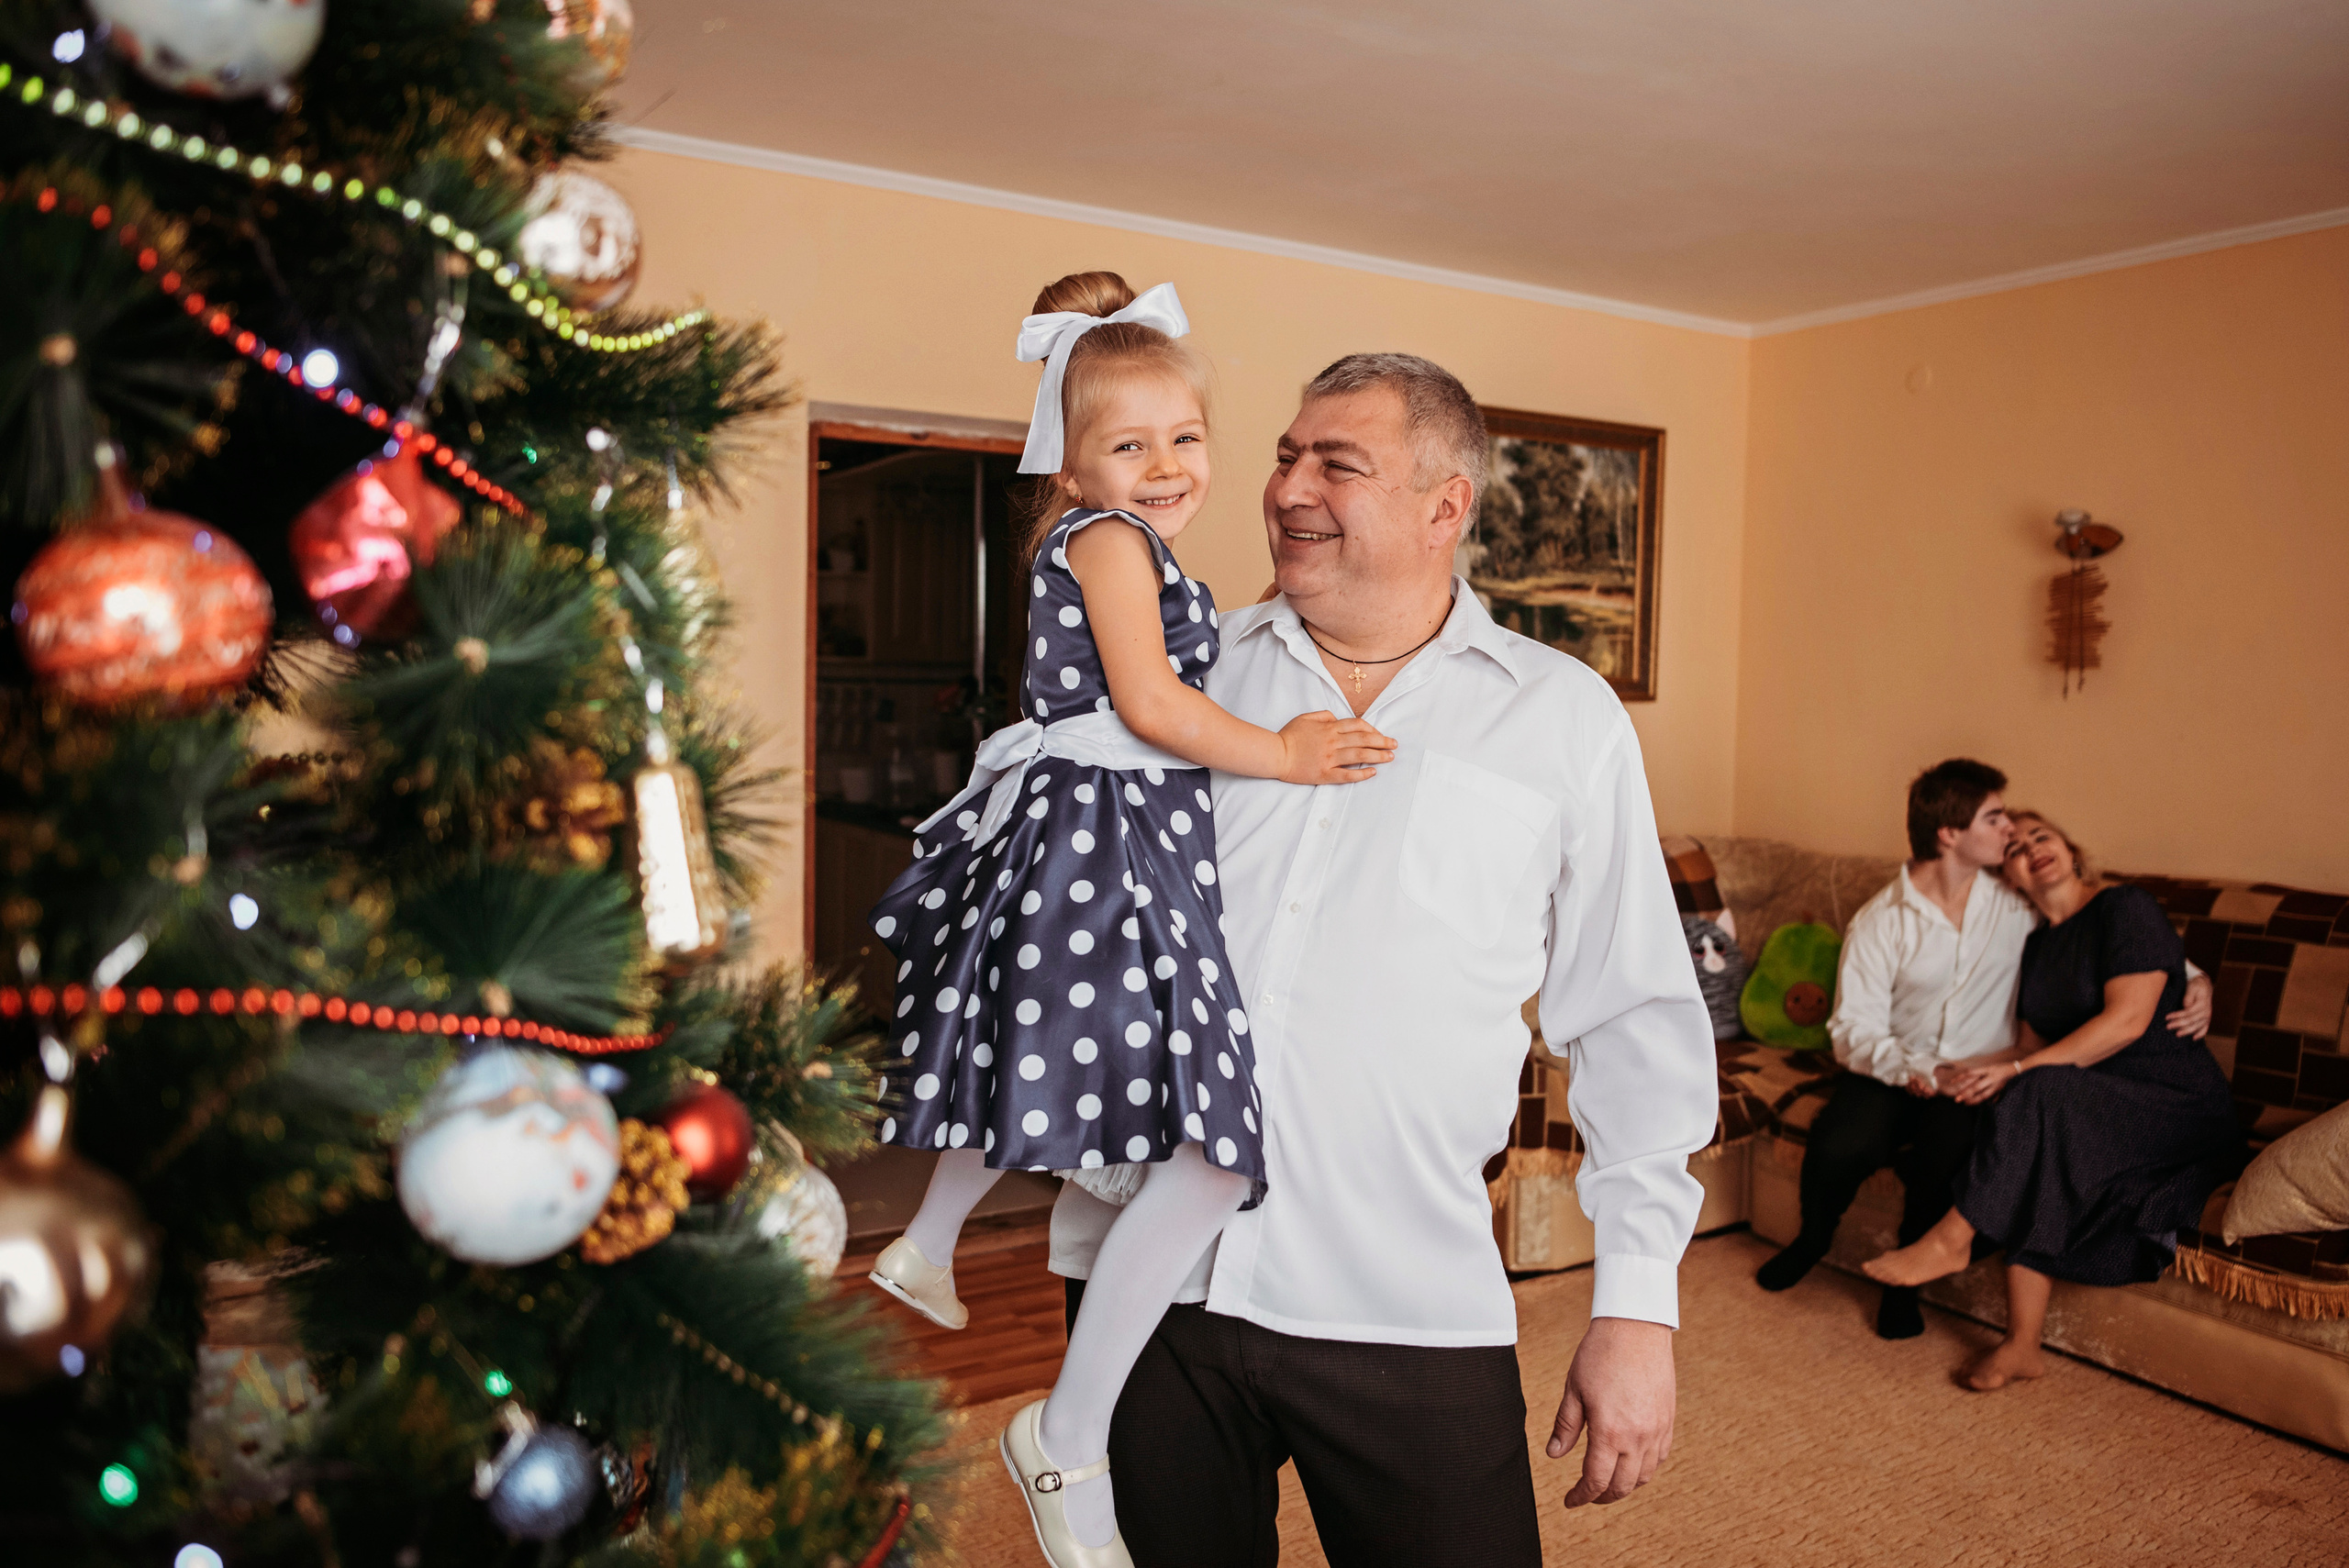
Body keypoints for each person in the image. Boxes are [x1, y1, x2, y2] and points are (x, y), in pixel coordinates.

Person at [1047, 352, 1720, 1567]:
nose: (1288, 487)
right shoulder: (1176, 671)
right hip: (1147, 1285)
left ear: (1443, 506)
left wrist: (1636, 1303)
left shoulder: (1560, 719)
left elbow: (1631, 1017)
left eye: (1337, 464)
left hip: (1403, 1295)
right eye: (1286, 456)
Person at [863, 272, 1395, 1568]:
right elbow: (1154, 708)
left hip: (1112, 846)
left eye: (1185, 439)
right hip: (1109, 852)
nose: (1165, 467)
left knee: (1091, 1088)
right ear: (1071, 456)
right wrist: (1287, 753)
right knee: (1211, 1146)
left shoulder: (1124, 544)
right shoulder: (1104, 541)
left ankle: (935, 1248)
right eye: (1128, 444)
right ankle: (1067, 1425)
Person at [1863, 810, 2246, 1390]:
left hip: (2174, 1103)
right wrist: (1945, 1073)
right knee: (2031, 1116)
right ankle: (2022, 1347)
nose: (2032, 849)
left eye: (2042, 836)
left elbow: (2127, 1022)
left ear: (2072, 849)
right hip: (2089, 1101)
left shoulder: (2125, 908)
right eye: (2015, 847)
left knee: (2036, 1090)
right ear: (2010, 878)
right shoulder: (2038, 947)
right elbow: (2028, 1045)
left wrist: (2017, 1071)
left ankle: (1950, 1239)